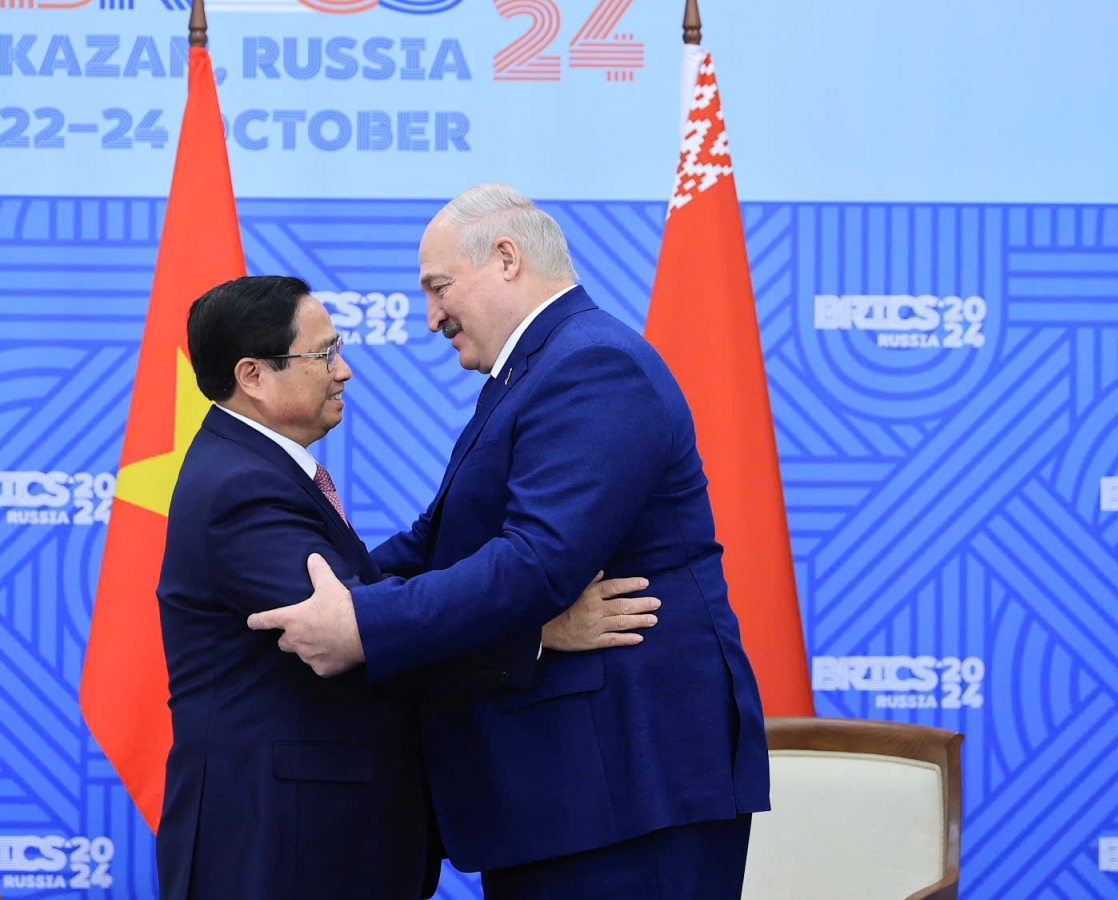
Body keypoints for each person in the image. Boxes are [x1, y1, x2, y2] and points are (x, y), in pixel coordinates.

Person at [248, 185, 772, 900]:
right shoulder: (538, 369)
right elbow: (441, 541)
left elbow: (536, 564)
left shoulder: (593, 365)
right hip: (571, 794)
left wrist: (363, 624)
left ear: (505, 258)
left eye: (438, 287)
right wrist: (328, 587)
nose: (431, 317)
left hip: (629, 789)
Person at [156, 274, 661, 900]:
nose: (344, 371)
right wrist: (536, 633)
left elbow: (371, 602)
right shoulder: (240, 488)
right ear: (253, 375)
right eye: (324, 354)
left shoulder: (255, 468)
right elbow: (355, 632)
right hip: (281, 841)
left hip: (314, 836)